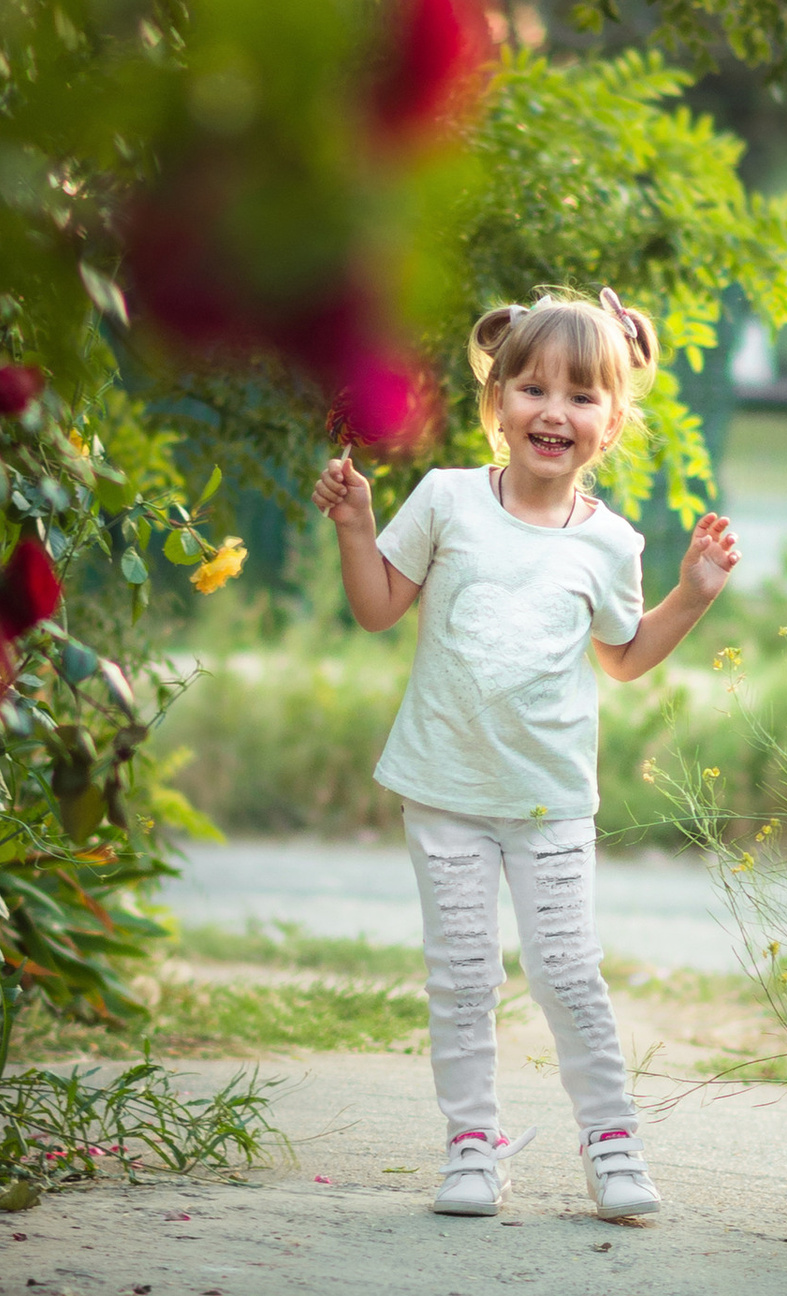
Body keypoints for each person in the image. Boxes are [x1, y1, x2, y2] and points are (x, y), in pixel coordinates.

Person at [311, 287, 739, 1226]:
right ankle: (473, 1146)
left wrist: (693, 596)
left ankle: (612, 1141)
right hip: (445, 791)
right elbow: (380, 607)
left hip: (549, 802)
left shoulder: (609, 543)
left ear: (613, 420)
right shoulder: (446, 500)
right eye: (534, 389)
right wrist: (354, 525)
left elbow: (623, 660)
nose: (555, 411)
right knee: (462, 973)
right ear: (496, 399)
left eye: (582, 396)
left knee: (565, 972)